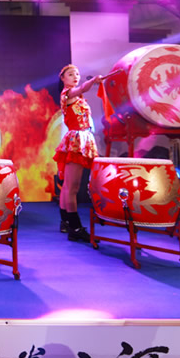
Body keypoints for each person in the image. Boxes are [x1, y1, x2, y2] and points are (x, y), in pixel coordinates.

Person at [53, 65, 102, 243]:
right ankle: (75, 228)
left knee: (68, 185)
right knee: (72, 187)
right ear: (63, 78)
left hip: (80, 138)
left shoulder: (76, 97)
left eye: (77, 74)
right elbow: (82, 88)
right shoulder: (68, 94)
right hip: (76, 141)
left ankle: (66, 221)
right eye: (71, 74)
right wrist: (93, 81)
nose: (75, 76)